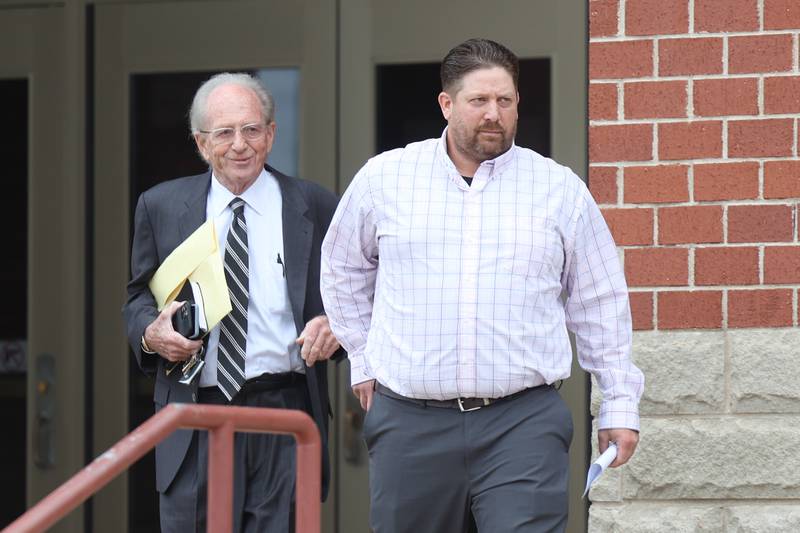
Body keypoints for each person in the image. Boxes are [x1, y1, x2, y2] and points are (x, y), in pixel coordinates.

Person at [321, 38, 644, 532]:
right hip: (411, 422)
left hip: (523, 424)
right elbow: (343, 270)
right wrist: (363, 360)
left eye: (505, 101)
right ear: (447, 104)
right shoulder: (384, 179)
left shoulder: (558, 190)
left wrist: (618, 403)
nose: (494, 114)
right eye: (479, 101)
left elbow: (599, 301)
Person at [123, 72, 341, 533]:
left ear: (271, 134)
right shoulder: (161, 206)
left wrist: (334, 324)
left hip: (283, 407)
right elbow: (138, 294)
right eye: (224, 133)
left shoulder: (313, 203)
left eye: (251, 130)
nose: (239, 145)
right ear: (202, 143)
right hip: (193, 410)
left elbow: (351, 293)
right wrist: (149, 331)